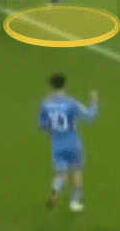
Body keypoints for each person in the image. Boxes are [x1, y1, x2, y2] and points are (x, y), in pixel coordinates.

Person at [38, 73, 99, 212]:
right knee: (76, 170)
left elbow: (43, 126)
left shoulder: (44, 104)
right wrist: (94, 101)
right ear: (65, 85)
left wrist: (52, 131)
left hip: (57, 144)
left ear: (51, 86)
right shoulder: (71, 103)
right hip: (72, 143)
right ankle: (75, 202)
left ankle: (55, 191)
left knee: (61, 173)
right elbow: (90, 116)